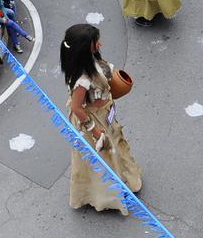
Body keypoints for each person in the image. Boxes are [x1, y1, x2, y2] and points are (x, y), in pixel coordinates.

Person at [60, 24, 142, 214]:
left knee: (116, 146)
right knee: (104, 157)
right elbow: (76, 108)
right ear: (84, 48)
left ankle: (125, 179)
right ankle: (106, 197)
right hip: (93, 120)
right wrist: (95, 131)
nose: (100, 44)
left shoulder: (94, 61)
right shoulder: (81, 79)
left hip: (105, 114)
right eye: (95, 42)